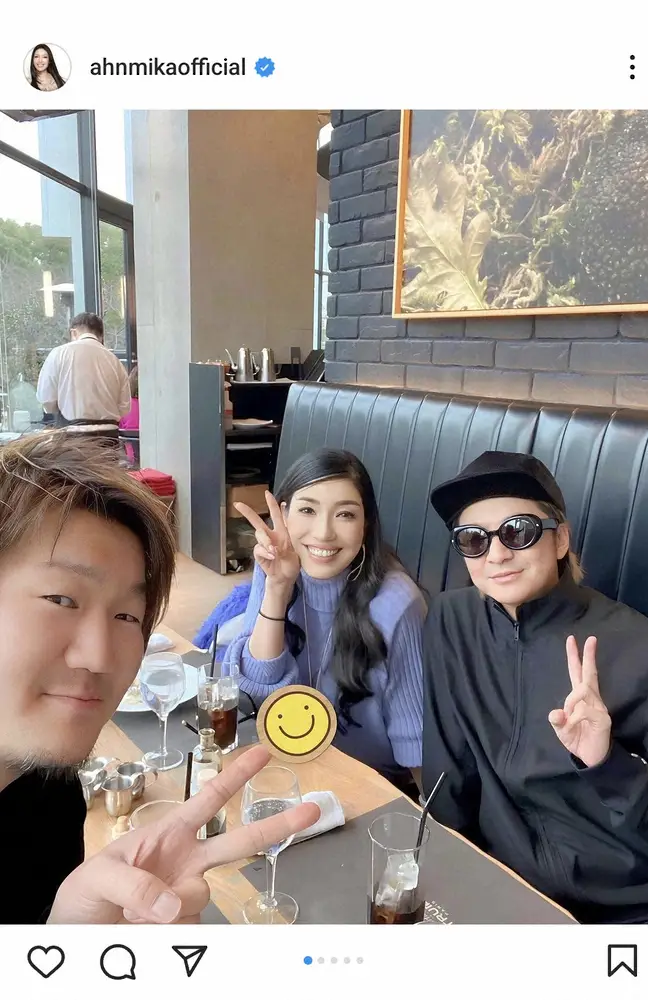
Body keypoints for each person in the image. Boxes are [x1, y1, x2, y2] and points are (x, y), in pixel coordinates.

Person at [0, 433, 318, 923]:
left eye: (128, 616)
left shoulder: (47, 787)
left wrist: (69, 940)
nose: (100, 656)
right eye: (61, 599)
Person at [423, 450, 648, 924]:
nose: (496, 554)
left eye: (518, 531)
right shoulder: (452, 621)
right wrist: (439, 870)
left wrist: (607, 764)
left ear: (560, 540)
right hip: (508, 884)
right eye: (473, 539)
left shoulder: (646, 650)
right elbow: (448, 770)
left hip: (633, 907)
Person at [225, 448, 426, 797]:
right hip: (289, 762)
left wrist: (430, 816)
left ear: (366, 525)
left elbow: (414, 736)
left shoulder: (398, 603)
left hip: (370, 784)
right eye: (307, 510)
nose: (323, 533)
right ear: (283, 514)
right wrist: (278, 588)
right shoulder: (275, 568)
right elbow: (253, 691)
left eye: (345, 514)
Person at [36, 313, 131, 447]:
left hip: (73, 437)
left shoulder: (59, 354)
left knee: (75, 463)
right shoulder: (115, 361)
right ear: (101, 335)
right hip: (109, 437)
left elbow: (47, 400)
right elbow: (124, 407)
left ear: (73, 332)